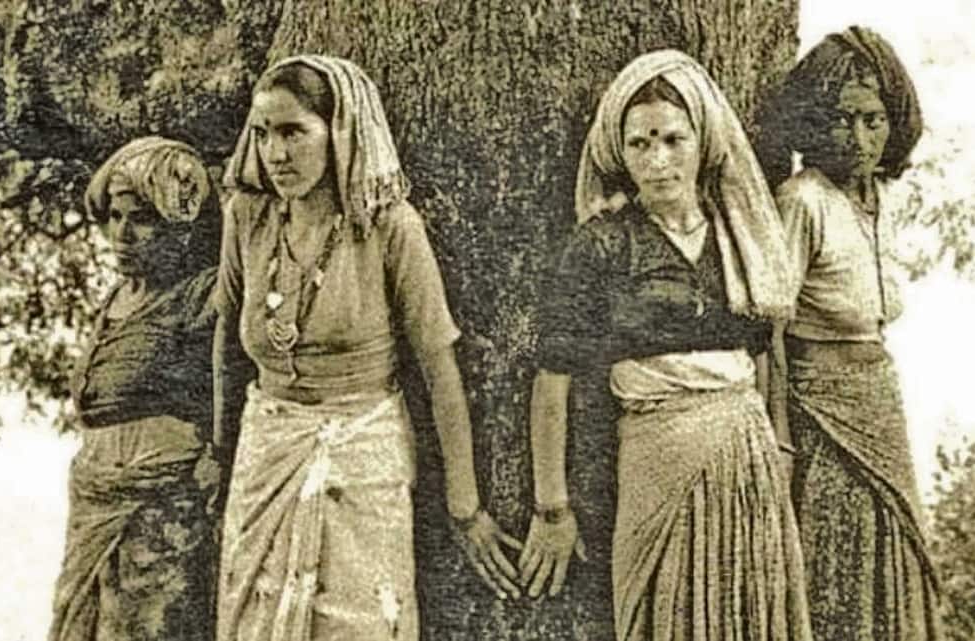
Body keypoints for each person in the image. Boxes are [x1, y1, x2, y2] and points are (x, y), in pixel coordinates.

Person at [211, 54, 520, 641]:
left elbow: (439, 367)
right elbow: (227, 340)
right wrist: (220, 449)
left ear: (340, 132)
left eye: (293, 132)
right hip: (264, 456)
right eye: (263, 134)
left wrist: (466, 507)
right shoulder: (248, 217)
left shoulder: (388, 227)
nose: (276, 154)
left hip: (363, 455)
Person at [521, 50, 812, 641]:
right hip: (655, 456)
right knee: (660, 616)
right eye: (639, 144)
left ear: (703, 142)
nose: (657, 161)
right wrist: (552, 508)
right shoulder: (603, 245)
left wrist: (778, 450)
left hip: (747, 458)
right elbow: (553, 378)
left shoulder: (741, 238)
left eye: (673, 140)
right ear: (619, 152)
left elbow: (763, 355)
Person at [761, 26, 942, 641]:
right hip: (822, 412)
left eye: (873, 120)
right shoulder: (803, 200)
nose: (860, 139)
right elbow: (771, 328)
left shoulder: (875, 199)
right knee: (840, 552)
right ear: (814, 121)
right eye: (842, 120)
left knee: (898, 543)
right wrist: (781, 435)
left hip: (877, 399)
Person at [47, 137, 224, 641]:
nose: (122, 234)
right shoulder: (119, 296)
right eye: (114, 217)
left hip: (160, 512)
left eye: (142, 219)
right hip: (97, 501)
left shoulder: (201, 295)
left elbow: (228, 383)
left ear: (179, 227)